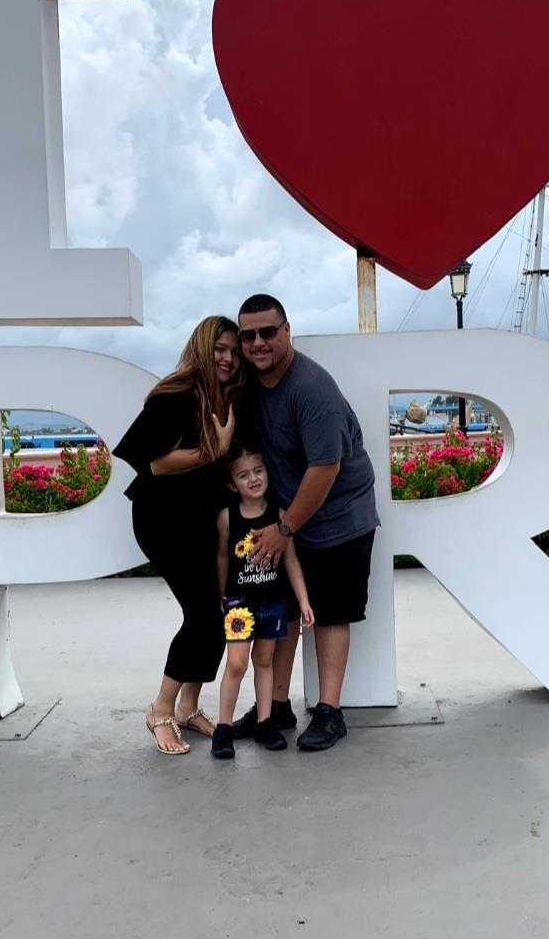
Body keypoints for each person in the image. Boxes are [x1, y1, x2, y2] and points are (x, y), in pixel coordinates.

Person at [232, 294, 379, 751]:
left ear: (287, 331)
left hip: (338, 516)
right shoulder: (251, 386)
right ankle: (273, 708)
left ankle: (331, 712)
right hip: (289, 518)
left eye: (267, 332)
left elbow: (325, 469)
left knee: (332, 612)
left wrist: (284, 529)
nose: (258, 342)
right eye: (248, 335)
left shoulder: (312, 388)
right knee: (284, 613)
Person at [112, 316, 243, 755]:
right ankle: (161, 708)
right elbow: (156, 463)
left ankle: (189, 705)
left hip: (203, 518)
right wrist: (216, 450)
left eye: (233, 350)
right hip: (164, 518)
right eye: (219, 349)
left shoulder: (225, 399)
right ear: (203, 349)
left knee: (221, 613)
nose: (227, 358)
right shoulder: (177, 394)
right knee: (203, 615)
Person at [211, 445, 314, 759]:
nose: (253, 479)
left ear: (267, 473)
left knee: (265, 660)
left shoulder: (281, 516)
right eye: (243, 475)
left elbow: (292, 561)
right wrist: (221, 595)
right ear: (233, 484)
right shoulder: (227, 517)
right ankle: (224, 728)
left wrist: (304, 600)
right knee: (237, 663)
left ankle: (265, 722)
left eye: (258, 471)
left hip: (273, 601)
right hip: (240, 602)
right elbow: (223, 557)